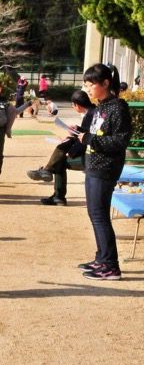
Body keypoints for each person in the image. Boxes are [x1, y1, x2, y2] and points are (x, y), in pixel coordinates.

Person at [77, 64, 132, 280]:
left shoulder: (118, 108)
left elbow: (120, 141)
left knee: (100, 216)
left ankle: (110, 266)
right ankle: (102, 258)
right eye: (86, 85)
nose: (88, 89)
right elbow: (96, 134)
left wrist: (91, 139)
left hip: (106, 168)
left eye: (91, 85)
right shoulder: (100, 107)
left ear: (105, 83)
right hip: (93, 165)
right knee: (94, 214)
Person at [26, 90, 95, 206]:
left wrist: (71, 153)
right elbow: (87, 133)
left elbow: (86, 140)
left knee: (60, 162)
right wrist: (77, 129)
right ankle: (51, 182)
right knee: (64, 148)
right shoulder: (92, 112)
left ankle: (57, 193)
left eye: (73, 105)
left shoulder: (91, 115)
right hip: (90, 152)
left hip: (91, 157)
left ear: (77, 105)